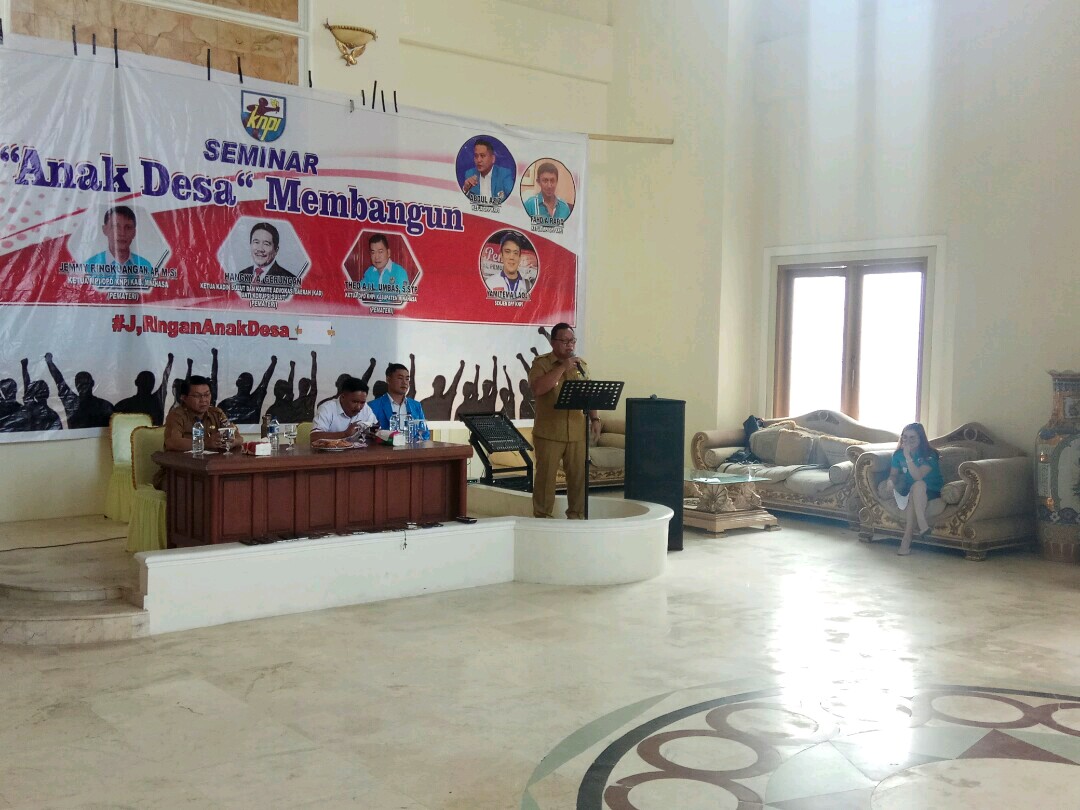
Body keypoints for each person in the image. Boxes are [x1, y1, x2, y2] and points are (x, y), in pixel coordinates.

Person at [529, 324, 601, 520]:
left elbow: (589, 393)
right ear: (553, 342)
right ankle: (543, 517)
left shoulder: (581, 365)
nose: (570, 345)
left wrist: (595, 418)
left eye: (572, 341)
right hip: (549, 432)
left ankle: (576, 517)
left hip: (577, 432)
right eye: (565, 341)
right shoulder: (541, 363)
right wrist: (562, 367)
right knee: (546, 479)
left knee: (578, 478)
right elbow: (538, 389)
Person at [158, 376, 243, 488]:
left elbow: (239, 438)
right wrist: (205, 443)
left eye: (207, 395)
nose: (203, 400)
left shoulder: (217, 413)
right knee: (200, 488)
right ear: (184, 398)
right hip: (180, 472)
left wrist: (231, 442)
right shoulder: (176, 415)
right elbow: (172, 442)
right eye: (197, 396)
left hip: (210, 470)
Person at [885, 422, 944, 555]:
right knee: (915, 489)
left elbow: (918, 476)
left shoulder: (930, 454)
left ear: (920, 438)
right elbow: (894, 474)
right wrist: (890, 481)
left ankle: (906, 540)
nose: (908, 440)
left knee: (919, 485)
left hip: (932, 490)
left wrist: (908, 457)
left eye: (912, 437)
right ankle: (922, 528)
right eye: (905, 437)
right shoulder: (897, 454)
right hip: (911, 489)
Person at [84, 205, 154, 289]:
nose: (122, 233)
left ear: (134, 232)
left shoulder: (145, 265)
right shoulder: (89, 266)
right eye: (115, 227)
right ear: (104, 229)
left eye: (128, 227)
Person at [45, 353, 113, 429]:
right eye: (80, 384)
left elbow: (59, 380)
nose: (83, 387)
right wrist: (49, 363)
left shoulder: (105, 406)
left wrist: (49, 362)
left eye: (85, 383)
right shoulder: (105, 405)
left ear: (92, 383)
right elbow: (58, 379)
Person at [114, 354, 174, 426]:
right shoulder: (125, 404)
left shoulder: (125, 404)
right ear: (136, 382)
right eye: (144, 380)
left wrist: (170, 363)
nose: (147, 383)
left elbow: (165, 380)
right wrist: (170, 363)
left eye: (149, 381)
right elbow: (165, 380)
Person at [310, 377, 377, 440]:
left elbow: (376, 429)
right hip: (331, 449)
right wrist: (345, 434)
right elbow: (314, 437)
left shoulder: (366, 409)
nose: (358, 407)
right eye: (354, 402)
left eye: (362, 402)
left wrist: (376, 433)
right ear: (343, 397)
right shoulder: (327, 408)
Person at [219, 356, 277, 425]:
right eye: (244, 381)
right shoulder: (225, 403)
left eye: (248, 382)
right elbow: (265, 380)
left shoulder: (255, 400)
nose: (246, 384)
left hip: (252, 431)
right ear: (237, 383)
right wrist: (273, 363)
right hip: (231, 432)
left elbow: (265, 380)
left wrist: (273, 364)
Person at [369, 362, 427, 430]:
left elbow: (424, 432)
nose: (404, 382)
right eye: (400, 378)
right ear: (388, 380)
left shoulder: (416, 406)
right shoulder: (373, 406)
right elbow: (368, 433)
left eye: (407, 379)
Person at [461, 138, 514, 203]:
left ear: (493, 159)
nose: (478, 160)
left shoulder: (504, 174)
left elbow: (513, 198)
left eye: (482, 156)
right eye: (476, 156)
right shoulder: (470, 174)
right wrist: (465, 189)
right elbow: (464, 202)